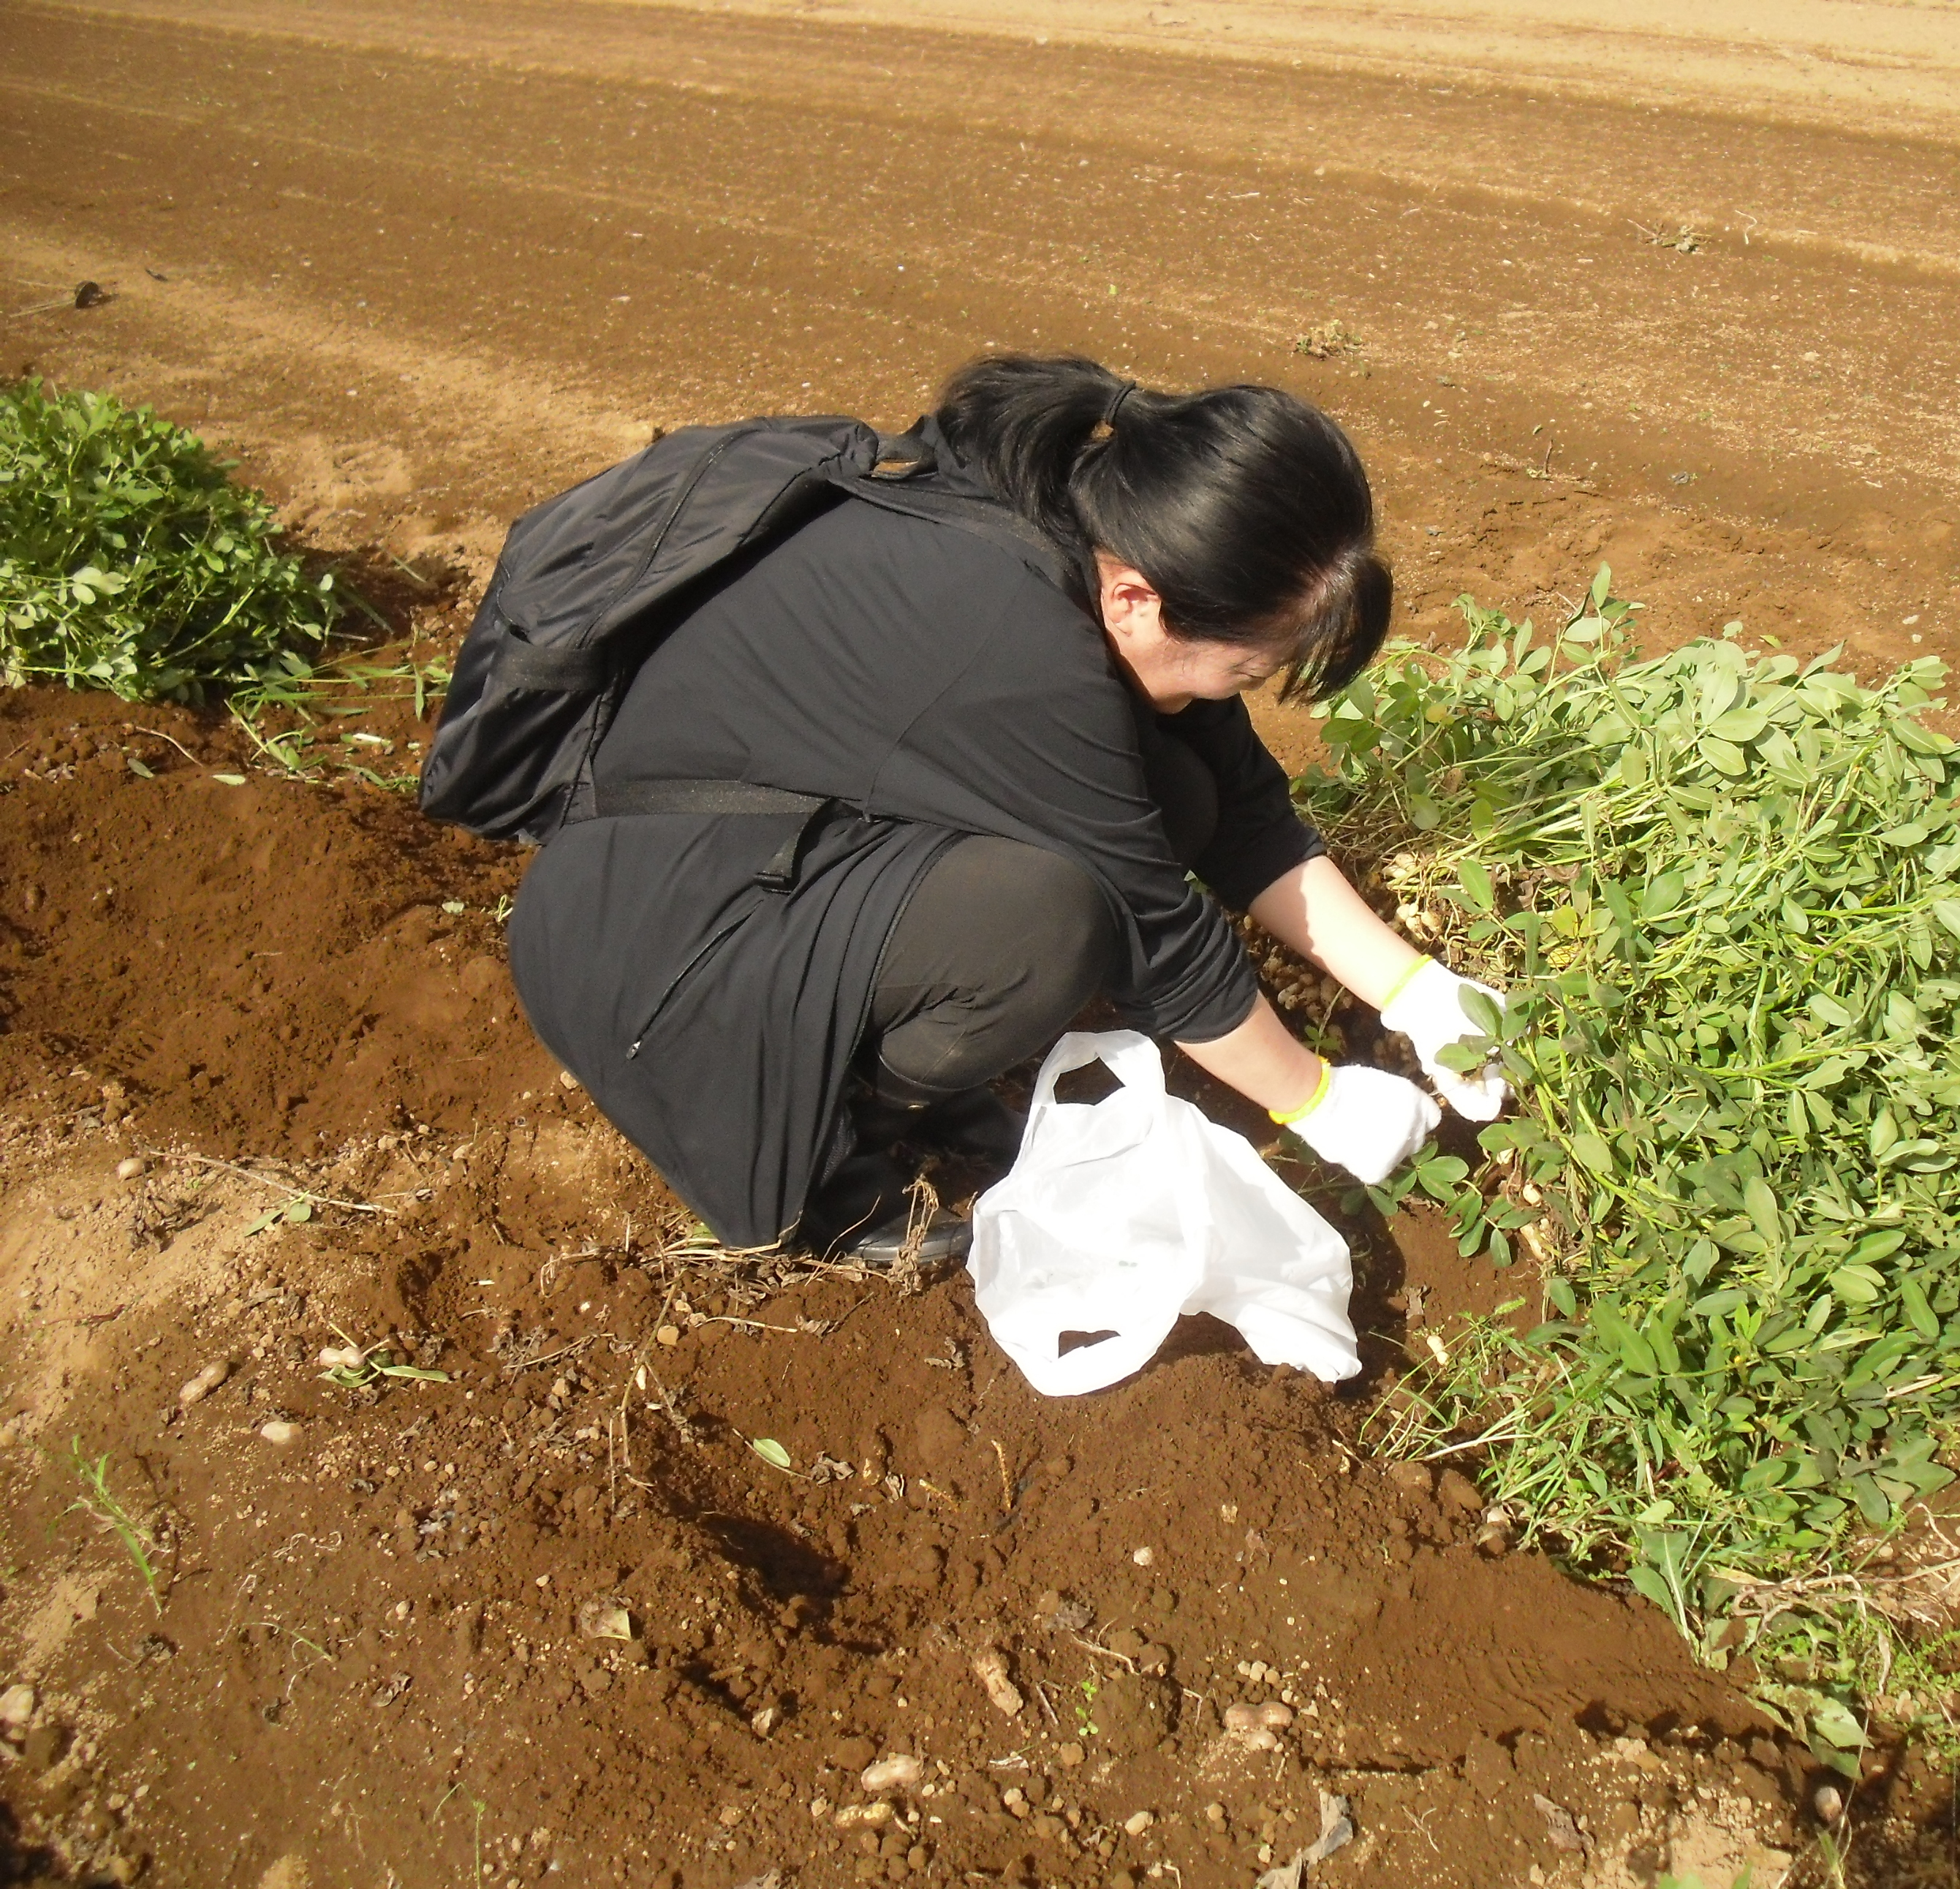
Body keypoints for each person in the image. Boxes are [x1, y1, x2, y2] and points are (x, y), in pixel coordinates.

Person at [506, 354, 1507, 1260]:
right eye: (1246, 668)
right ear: (1138, 603)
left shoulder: (1104, 537)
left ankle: (906, 1076)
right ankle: (833, 1162)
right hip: (658, 941)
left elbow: (1246, 816)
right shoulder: (1017, 653)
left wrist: (1416, 991)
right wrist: (1316, 1100)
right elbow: (1157, 931)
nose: (1236, 693)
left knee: (1182, 790)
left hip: (785, 848)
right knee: (1052, 921)